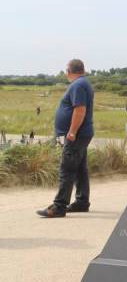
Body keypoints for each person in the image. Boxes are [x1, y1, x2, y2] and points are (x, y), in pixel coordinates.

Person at [37, 59, 94, 218]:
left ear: (69, 71)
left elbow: (80, 110)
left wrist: (72, 131)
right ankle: (82, 202)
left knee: (67, 169)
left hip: (77, 135)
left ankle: (59, 206)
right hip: (82, 134)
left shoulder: (78, 85)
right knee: (80, 169)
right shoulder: (83, 83)